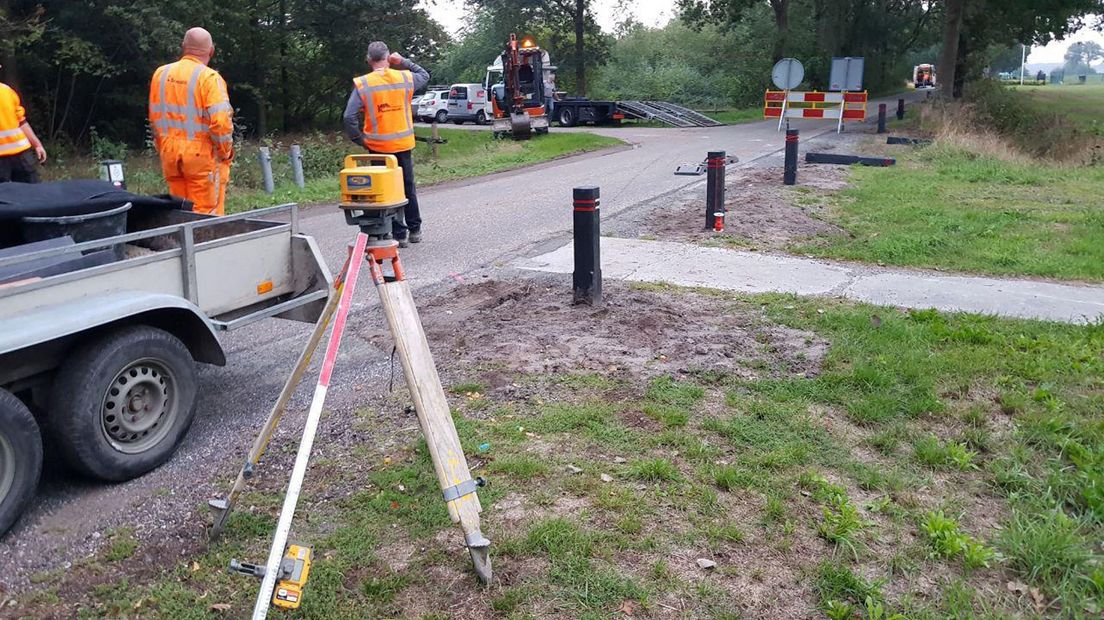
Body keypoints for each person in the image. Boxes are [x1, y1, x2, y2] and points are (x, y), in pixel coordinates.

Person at [343, 41, 429, 247]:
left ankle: (398, 234)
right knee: (407, 186)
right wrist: (404, 61)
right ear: (388, 57)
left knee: (385, 190)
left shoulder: (364, 83)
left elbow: (349, 117)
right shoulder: (405, 77)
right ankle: (414, 229)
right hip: (403, 144)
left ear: (368, 59)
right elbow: (425, 76)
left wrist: (359, 139)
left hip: (377, 148)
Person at [149, 27, 234, 216]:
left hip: (170, 154)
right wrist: (225, 152)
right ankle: (205, 245)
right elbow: (221, 123)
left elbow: (154, 119)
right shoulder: (209, 78)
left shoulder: (160, 75)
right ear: (211, 51)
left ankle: (181, 244)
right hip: (201, 158)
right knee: (205, 214)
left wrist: (162, 147)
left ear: (183, 47)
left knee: (178, 211)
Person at [0, 66, 47, 184]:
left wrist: (37, 145)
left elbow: (21, 121)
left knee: (33, 193)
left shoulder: (7, 91)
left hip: (21, 154)